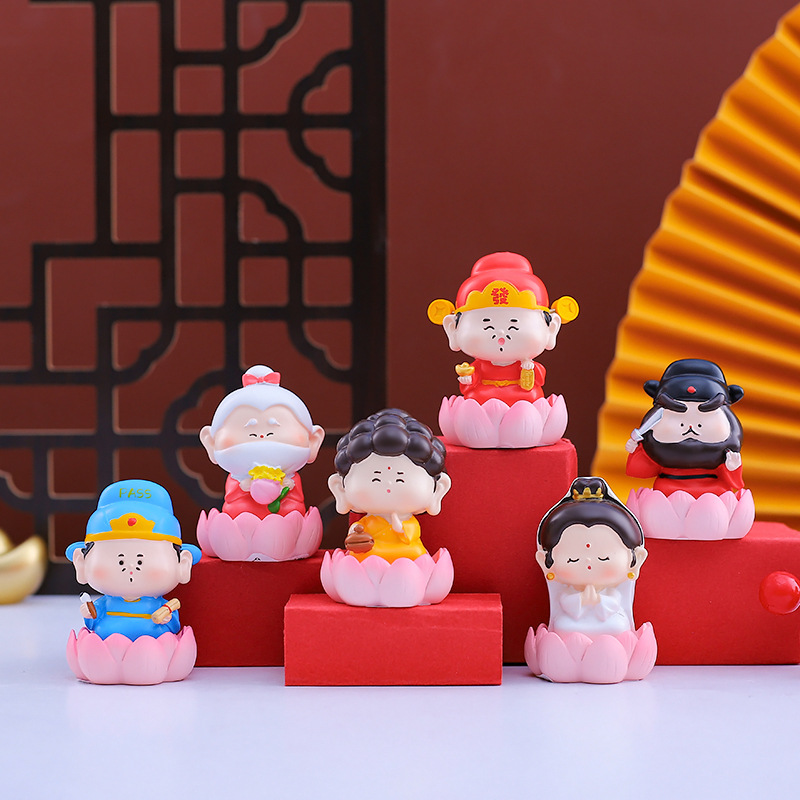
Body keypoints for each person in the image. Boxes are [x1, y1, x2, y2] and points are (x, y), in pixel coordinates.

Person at [427, 252, 578, 404]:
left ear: (552, 328)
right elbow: (472, 379)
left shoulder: (526, 363)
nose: (500, 332)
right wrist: (468, 378)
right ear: (452, 329)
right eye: (487, 325)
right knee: (472, 399)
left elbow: (539, 378)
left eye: (514, 324)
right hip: (483, 394)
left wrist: (529, 368)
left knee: (533, 397)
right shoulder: (479, 366)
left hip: (523, 396)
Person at [66, 479, 201, 640]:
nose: (130, 567)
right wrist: (89, 614)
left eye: (140, 561)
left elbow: (174, 626)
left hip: (156, 645)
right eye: (120, 561)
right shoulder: (104, 605)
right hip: (106, 643)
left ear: (183, 565)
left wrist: (167, 620)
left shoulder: (160, 605)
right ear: (81, 563)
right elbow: (93, 621)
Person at [199, 365, 325, 518]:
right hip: (241, 513)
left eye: (275, 425)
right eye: (246, 425)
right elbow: (233, 496)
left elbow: (295, 495)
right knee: (237, 511)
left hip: (287, 515)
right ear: (211, 443)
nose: (262, 435)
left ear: (313, 441)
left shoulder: (291, 476)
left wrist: (285, 486)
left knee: (293, 509)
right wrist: (246, 485)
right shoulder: (235, 478)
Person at [327, 409, 451, 562]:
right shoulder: (367, 522)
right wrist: (355, 535)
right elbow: (356, 532)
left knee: (417, 553)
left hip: (406, 551)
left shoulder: (409, 522)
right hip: (373, 551)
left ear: (438, 489)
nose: (389, 484)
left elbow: (411, 535)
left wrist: (400, 527)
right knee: (361, 557)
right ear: (340, 488)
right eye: (376, 479)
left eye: (400, 479)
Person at [536, 476, 647, 637]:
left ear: (635, 560)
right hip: (573, 619)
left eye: (604, 558)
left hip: (609, 619)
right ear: (545, 562)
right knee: (563, 624)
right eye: (572, 559)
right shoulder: (569, 592)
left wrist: (598, 600)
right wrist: (580, 600)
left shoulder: (610, 593)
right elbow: (566, 602)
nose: (588, 562)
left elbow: (615, 603)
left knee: (618, 625)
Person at [625, 359, 744, 497]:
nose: (691, 427)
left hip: (716, 491)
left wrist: (733, 467)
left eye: (704, 417)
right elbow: (642, 470)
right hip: (666, 490)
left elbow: (735, 481)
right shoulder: (655, 450)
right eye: (676, 416)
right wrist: (637, 450)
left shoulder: (722, 453)